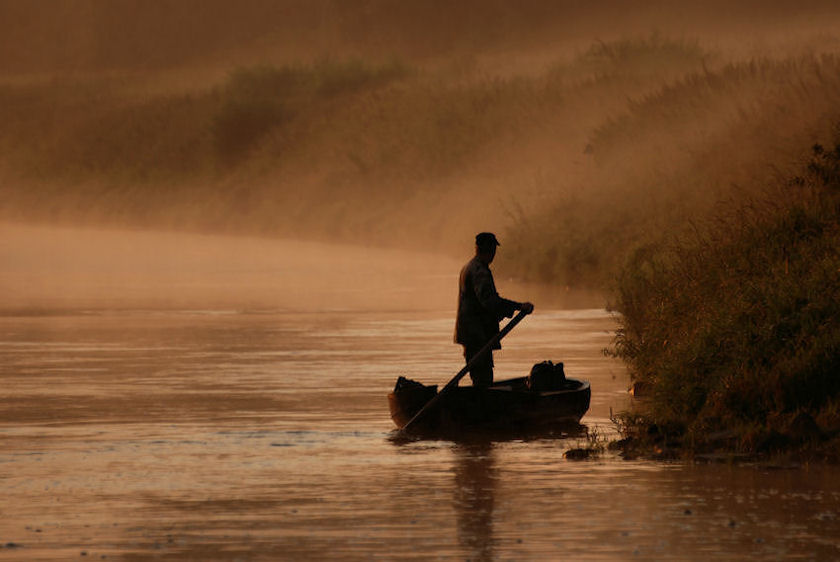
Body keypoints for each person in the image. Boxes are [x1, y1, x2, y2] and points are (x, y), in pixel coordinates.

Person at [454, 232, 534, 388]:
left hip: (473, 335)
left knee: (480, 377)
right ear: (486, 249)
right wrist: (519, 306)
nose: (494, 254)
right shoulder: (479, 271)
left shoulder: (470, 267)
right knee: (482, 379)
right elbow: (490, 301)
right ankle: (481, 409)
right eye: (492, 249)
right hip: (476, 335)